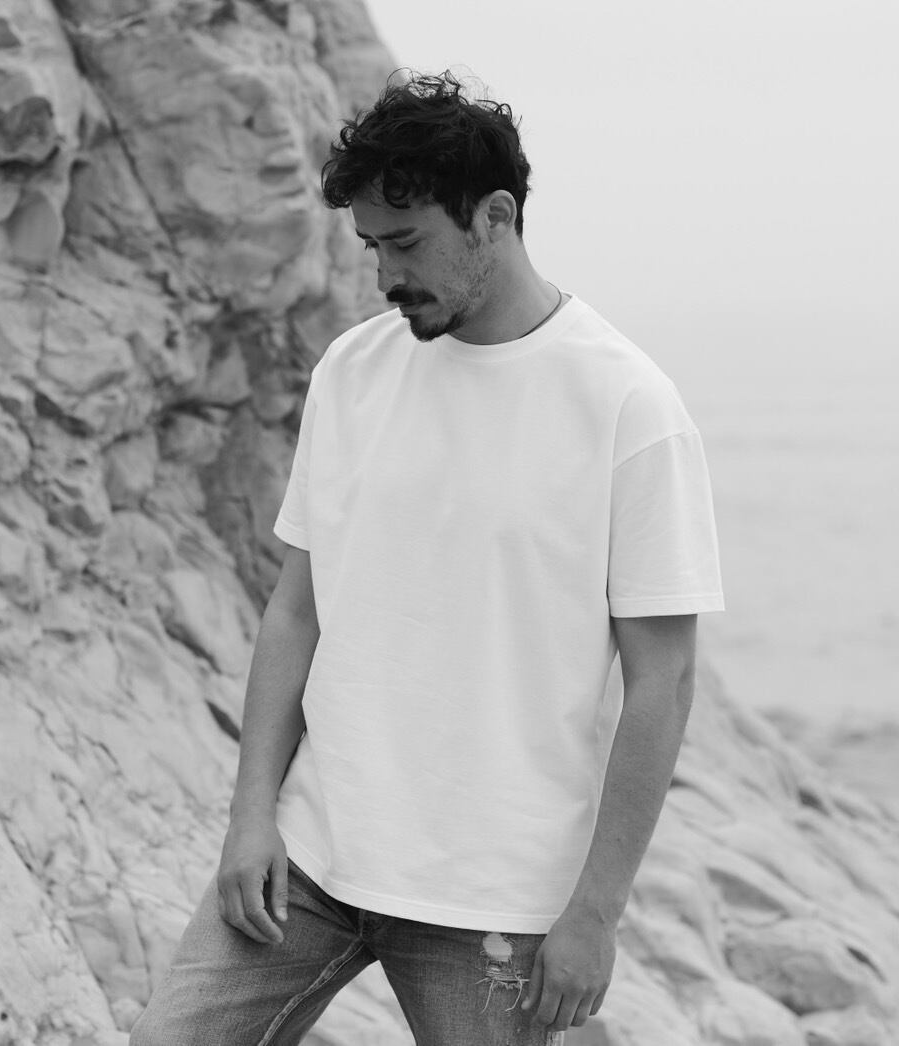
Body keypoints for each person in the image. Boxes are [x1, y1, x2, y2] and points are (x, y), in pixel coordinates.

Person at [131, 70, 724, 1045]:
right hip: (311, 857)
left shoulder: (628, 404)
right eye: (371, 246)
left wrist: (595, 912)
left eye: (405, 243)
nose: (384, 276)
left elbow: (663, 678)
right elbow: (296, 610)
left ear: (495, 216)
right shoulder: (353, 370)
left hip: (493, 902)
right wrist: (250, 816)